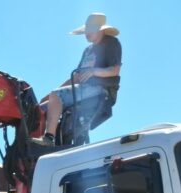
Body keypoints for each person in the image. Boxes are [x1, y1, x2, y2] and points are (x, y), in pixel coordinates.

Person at [34, 13, 121, 146]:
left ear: (100, 30)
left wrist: (94, 71)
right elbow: (76, 77)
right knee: (41, 107)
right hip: (83, 88)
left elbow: (115, 70)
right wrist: (50, 97)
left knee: (56, 95)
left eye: (90, 30)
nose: (87, 33)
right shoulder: (88, 50)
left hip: (100, 89)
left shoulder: (111, 43)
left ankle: (49, 138)